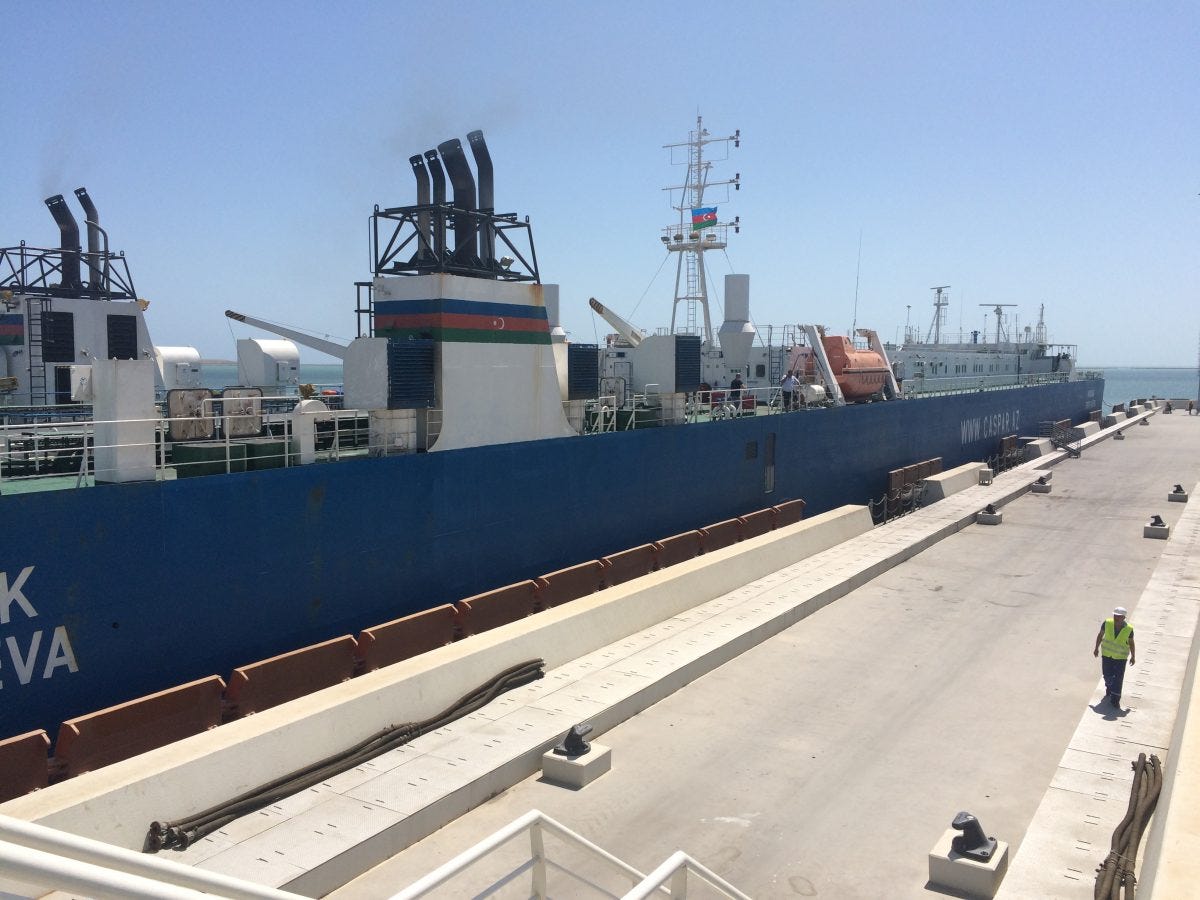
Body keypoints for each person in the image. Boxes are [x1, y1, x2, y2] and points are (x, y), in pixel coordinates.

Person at [1093, 606, 1135, 708]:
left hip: (1121, 657)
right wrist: (1096, 648)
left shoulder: (1129, 629)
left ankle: (1115, 700)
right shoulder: (1107, 623)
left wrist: (1133, 656)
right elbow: (1100, 635)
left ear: (1123, 618)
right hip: (1107, 655)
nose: (1116, 617)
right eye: (1115, 615)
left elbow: (1131, 643)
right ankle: (1109, 687)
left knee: (1118, 678)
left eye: (1118, 616)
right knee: (1107, 675)